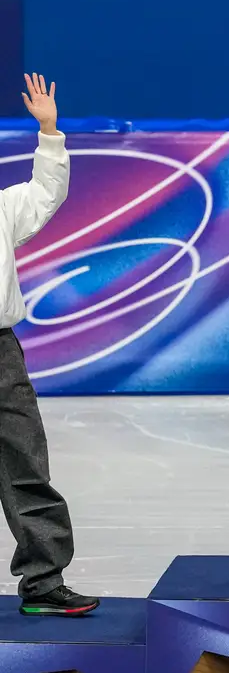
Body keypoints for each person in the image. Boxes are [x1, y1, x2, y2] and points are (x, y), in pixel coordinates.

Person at [0, 74, 99, 616]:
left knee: (24, 465)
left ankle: (43, 582)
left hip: (0, 353)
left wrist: (49, 130)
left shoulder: (2, 207)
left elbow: (45, 194)